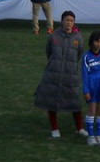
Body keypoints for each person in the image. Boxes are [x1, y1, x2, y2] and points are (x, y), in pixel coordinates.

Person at [34, 10, 83, 138]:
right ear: (62, 21)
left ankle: (79, 128)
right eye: (67, 20)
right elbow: (48, 52)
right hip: (53, 74)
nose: (69, 23)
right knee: (52, 100)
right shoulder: (54, 36)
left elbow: (79, 54)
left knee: (75, 101)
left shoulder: (78, 38)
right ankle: (54, 128)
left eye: (71, 20)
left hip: (70, 74)